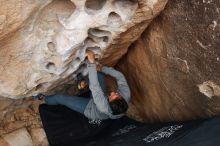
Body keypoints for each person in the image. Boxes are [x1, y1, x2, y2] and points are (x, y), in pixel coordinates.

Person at [35, 50, 131, 120]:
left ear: (109, 103)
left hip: (90, 108)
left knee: (60, 98)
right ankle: (81, 81)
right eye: (116, 94)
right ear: (122, 98)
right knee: (98, 74)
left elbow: (95, 87)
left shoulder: (103, 106)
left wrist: (91, 63)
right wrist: (103, 69)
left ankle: (43, 98)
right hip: (101, 97)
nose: (113, 92)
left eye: (111, 96)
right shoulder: (126, 95)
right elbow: (120, 77)